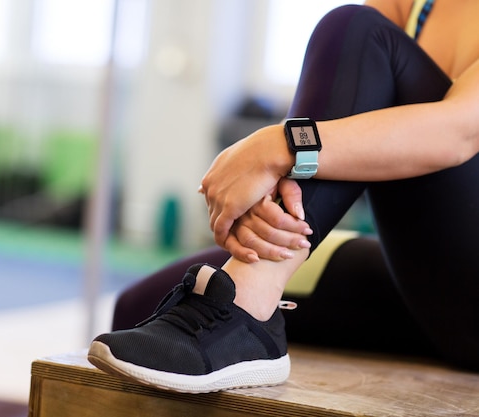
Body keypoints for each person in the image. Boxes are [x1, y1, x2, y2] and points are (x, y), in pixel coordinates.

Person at [87, 0, 479, 394]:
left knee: (356, 26)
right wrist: (274, 187)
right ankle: (248, 293)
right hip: (435, 288)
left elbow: (458, 134)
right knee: (142, 305)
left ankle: (249, 300)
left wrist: (280, 146)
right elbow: (345, 107)